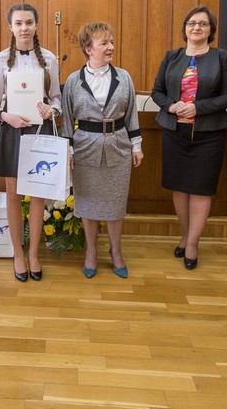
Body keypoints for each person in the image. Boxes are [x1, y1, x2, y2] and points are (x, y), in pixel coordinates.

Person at [151, 7, 227, 269]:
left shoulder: (222, 58)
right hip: (174, 132)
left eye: (202, 23)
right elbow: (157, 91)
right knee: (178, 187)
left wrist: (198, 108)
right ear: (185, 28)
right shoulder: (172, 56)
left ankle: (192, 244)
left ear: (211, 29)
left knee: (200, 189)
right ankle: (185, 234)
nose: (196, 28)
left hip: (208, 135)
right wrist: (171, 105)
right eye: (191, 23)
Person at [0, 3, 62, 282]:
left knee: (38, 196)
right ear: (10, 27)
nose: (24, 28)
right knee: (14, 196)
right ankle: (17, 253)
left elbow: (56, 98)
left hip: (40, 131)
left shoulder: (50, 60)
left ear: (36, 24)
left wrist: (52, 111)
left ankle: (33, 254)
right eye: (18, 23)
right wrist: (4, 115)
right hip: (11, 131)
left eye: (29, 22)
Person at [62, 23, 143, 278]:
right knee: (87, 205)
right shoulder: (74, 81)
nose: (111, 47)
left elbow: (131, 115)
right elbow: (66, 119)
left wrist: (137, 145)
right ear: (88, 49)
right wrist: (69, 151)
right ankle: (91, 253)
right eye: (104, 43)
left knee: (115, 204)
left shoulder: (124, 77)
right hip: (85, 148)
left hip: (118, 146)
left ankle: (116, 251)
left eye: (111, 41)